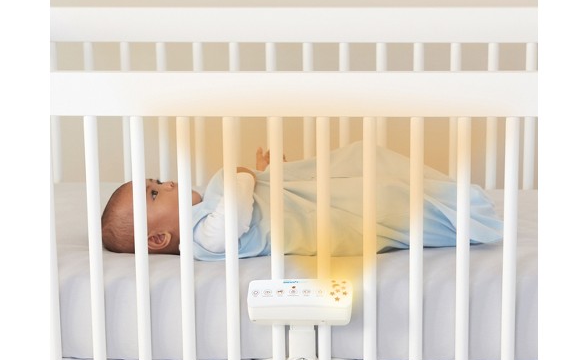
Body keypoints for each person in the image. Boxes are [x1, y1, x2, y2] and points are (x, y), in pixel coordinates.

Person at [101, 141, 503, 260]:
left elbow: (260, 201)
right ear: (158, 239)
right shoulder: (199, 238)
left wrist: (271, 174)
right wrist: (242, 176)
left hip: (301, 202)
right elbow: (234, 217)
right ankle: (458, 211)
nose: (169, 183)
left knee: (365, 161)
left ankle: (450, 197)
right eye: (156, 192)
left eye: (158, 181)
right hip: (317, 219)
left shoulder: (205, 208)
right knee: (383, 201)